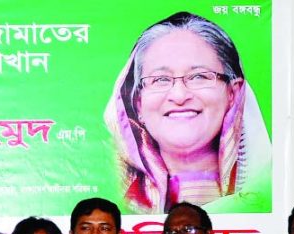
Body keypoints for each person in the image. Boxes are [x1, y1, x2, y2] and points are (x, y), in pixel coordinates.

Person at [104, 11, 270, 213]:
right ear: (138, 103)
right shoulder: (118, 206)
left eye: (199, 76)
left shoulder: (265, 195)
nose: (180, 95)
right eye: (160, 79)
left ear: (233, 94)